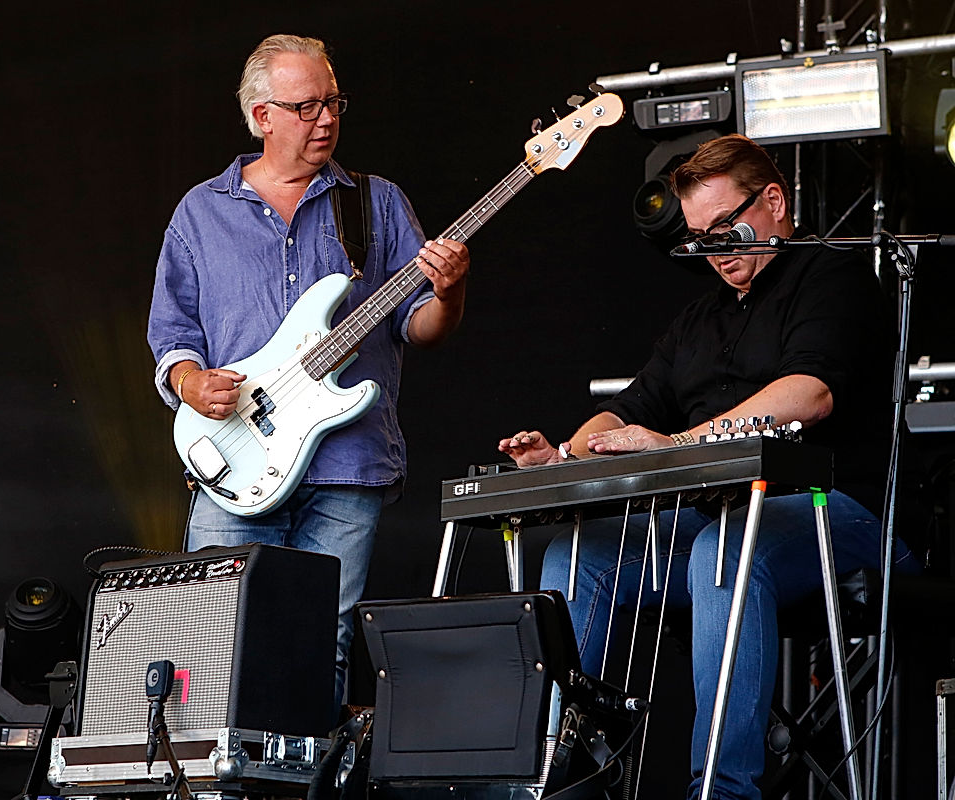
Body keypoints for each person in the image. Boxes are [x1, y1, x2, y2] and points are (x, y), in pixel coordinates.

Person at [497, 134, 914, 799]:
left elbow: (809, 393)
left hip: (843, 514)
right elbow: (628, 408)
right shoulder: (698, 319)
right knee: (577, 555)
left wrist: (678, 444)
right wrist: (567, 454)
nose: (716, 248)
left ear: (774, 199)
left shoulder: (833, 277)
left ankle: (720, 791)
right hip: (723, 522)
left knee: (723, 550)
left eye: (727, 226)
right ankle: (552, 778)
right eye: (699, 237)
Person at [147, 34, 470, 717]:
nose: (325, 119)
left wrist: (449, 291)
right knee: (214, 640)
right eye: (305, 106)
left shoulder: (375, 204)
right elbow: (172, 338)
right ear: (261, 116)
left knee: (323, 643)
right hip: (237, 460)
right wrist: (191, 384)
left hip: (347, 466)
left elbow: (419, 327)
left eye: (332, 102)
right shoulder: (200, 214)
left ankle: (301, 786)